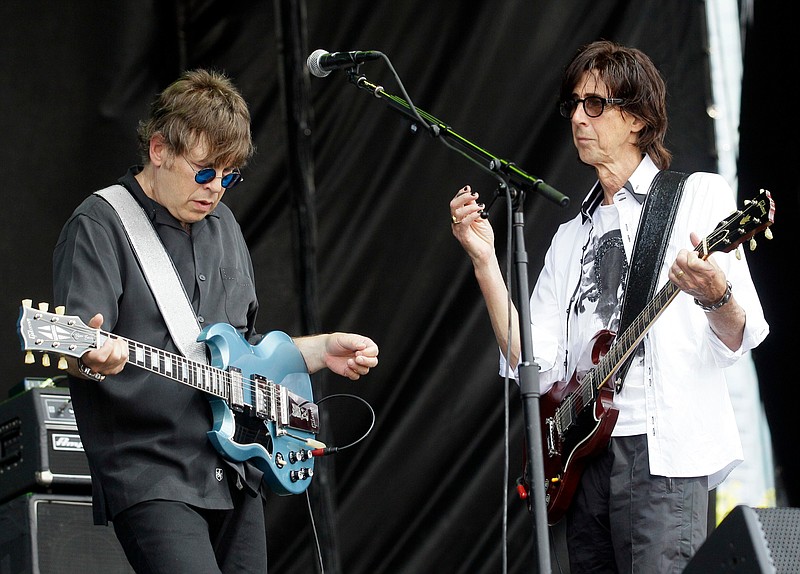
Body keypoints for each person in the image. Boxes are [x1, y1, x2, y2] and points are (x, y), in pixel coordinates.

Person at [449, 40, 769, 572]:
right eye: (573, 104)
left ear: (638, 119)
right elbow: (533, 361)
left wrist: (715, 293)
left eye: (594, 104)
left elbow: (739, 334)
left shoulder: (698, 198)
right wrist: (485, 264)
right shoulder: (570, 237)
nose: (578, 116)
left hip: (664, 456)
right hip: (583, 458)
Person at [53, 68, 379, 574]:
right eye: (204, 171)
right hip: (152, 471)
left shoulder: (224, 225)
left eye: (229, 177)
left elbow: (242, 351)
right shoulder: (101, 224)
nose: (216, 190)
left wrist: (317, 351)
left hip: (235, 470)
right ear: (159, 149)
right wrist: (92, 358)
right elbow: (76, 346)